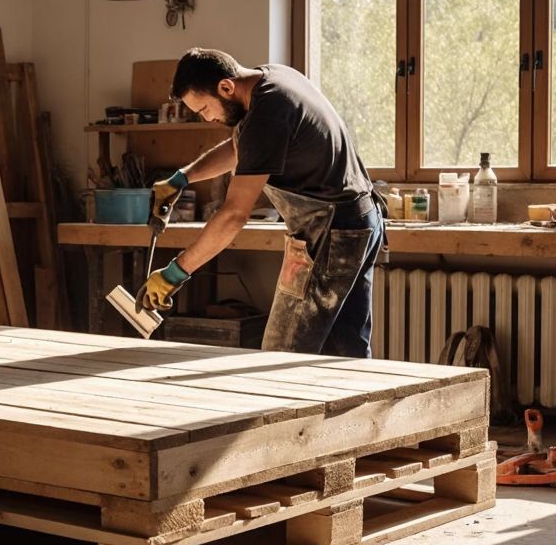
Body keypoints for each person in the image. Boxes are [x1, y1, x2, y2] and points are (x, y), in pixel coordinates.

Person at [135, 47, 384, 357]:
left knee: (283, 348)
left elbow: (234, 215)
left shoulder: (267, 114)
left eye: (204, 109)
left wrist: (175, 273)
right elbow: (241, 148)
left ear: (226, 87)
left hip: (331, 233)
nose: (207, 118)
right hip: (360, 221)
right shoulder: (272, 80)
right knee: (346, 350)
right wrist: (182, 178)